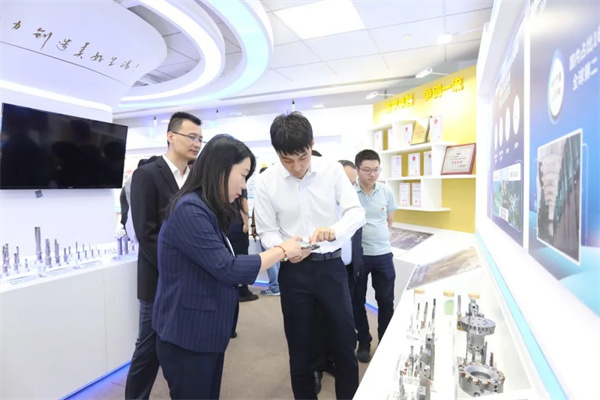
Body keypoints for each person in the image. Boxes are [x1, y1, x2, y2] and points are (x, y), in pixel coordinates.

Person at [152, 134, 304, 399]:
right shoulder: (189, 210)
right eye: (243, 175)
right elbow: (228, 268)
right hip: (187, 335)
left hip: (204, 333)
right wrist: (281, 251)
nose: (243, 186)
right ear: (221, 168)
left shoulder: (204, 208)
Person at [254, 112, 366, 400]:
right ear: (277, 153)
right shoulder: (266, 182)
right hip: (295, 273)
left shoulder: (332, 170)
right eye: (287, 160)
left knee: (344, 345)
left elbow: (356, 212)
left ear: (312, 144)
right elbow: (266, 230)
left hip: (331, 268)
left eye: (302, 157)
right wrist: (284, 248)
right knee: (300, 350)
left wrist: (335, 230)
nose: (297, 167)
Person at [125, 112, 202, 399]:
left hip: (191, 280)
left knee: (182, 348)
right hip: (158, 280)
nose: (196, 143)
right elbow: (146, 233)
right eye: (191, 137)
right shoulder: (147, 174)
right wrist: (177, 270)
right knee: (148, 350)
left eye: (200, 138)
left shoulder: (195, 177)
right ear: (170, 136)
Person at [352, 149, 398, 363]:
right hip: (359, 256)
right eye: (367, 170)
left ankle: (385, 342)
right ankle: (364, 341)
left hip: (383, 255)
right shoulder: (350, 192)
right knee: (357, 301)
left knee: (386, 301)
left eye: (376, 170)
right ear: (358, 169)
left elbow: (390, 220)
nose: (373, 174)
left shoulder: (386, 191)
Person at [251, 166, 281, 296]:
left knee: (270, 260)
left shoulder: (263, 191)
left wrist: (254, 227)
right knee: (278, 259)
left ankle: (274, 287)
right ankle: (278, 286)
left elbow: (257, 212)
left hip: (268, 232)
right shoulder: (278, 191)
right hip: (278, 232)